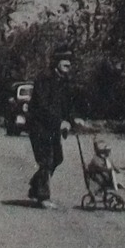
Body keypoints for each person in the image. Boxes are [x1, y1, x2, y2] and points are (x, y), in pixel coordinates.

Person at [26, 45, 84, 206]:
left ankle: (36, 187)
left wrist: (73, 120)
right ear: (56, 62)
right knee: (46, 160)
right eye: (65, 60)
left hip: (52, 127)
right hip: (39, 125)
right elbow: (43, 106)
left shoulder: (64, 82)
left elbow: (67, 106)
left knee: (57, 158)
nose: (68, 64)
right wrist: (60, 122)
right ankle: (43, 198)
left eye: (70, 61)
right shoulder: (44, 79)